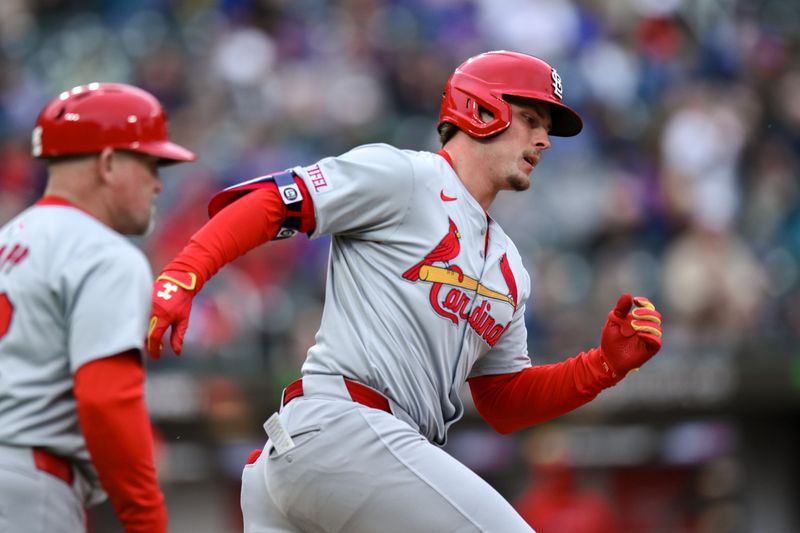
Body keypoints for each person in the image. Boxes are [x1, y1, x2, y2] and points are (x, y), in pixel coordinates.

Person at [147, 51, 663, 532]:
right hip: (345, 428)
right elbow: (273, 203)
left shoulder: (510, 267)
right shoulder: (405, 176)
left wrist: (603, 367)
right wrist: (184, 274)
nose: (544, 140)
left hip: (328, 458)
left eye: (546, 128)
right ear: (482, 109)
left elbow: (502, 402)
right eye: (531, 120)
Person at [0, 82, 196, 532]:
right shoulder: (105, 253)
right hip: (29, 485)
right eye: (150, 163)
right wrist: (147, 520)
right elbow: (106, 398)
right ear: (108, 163)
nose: (158, 183)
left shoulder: (9, 239)